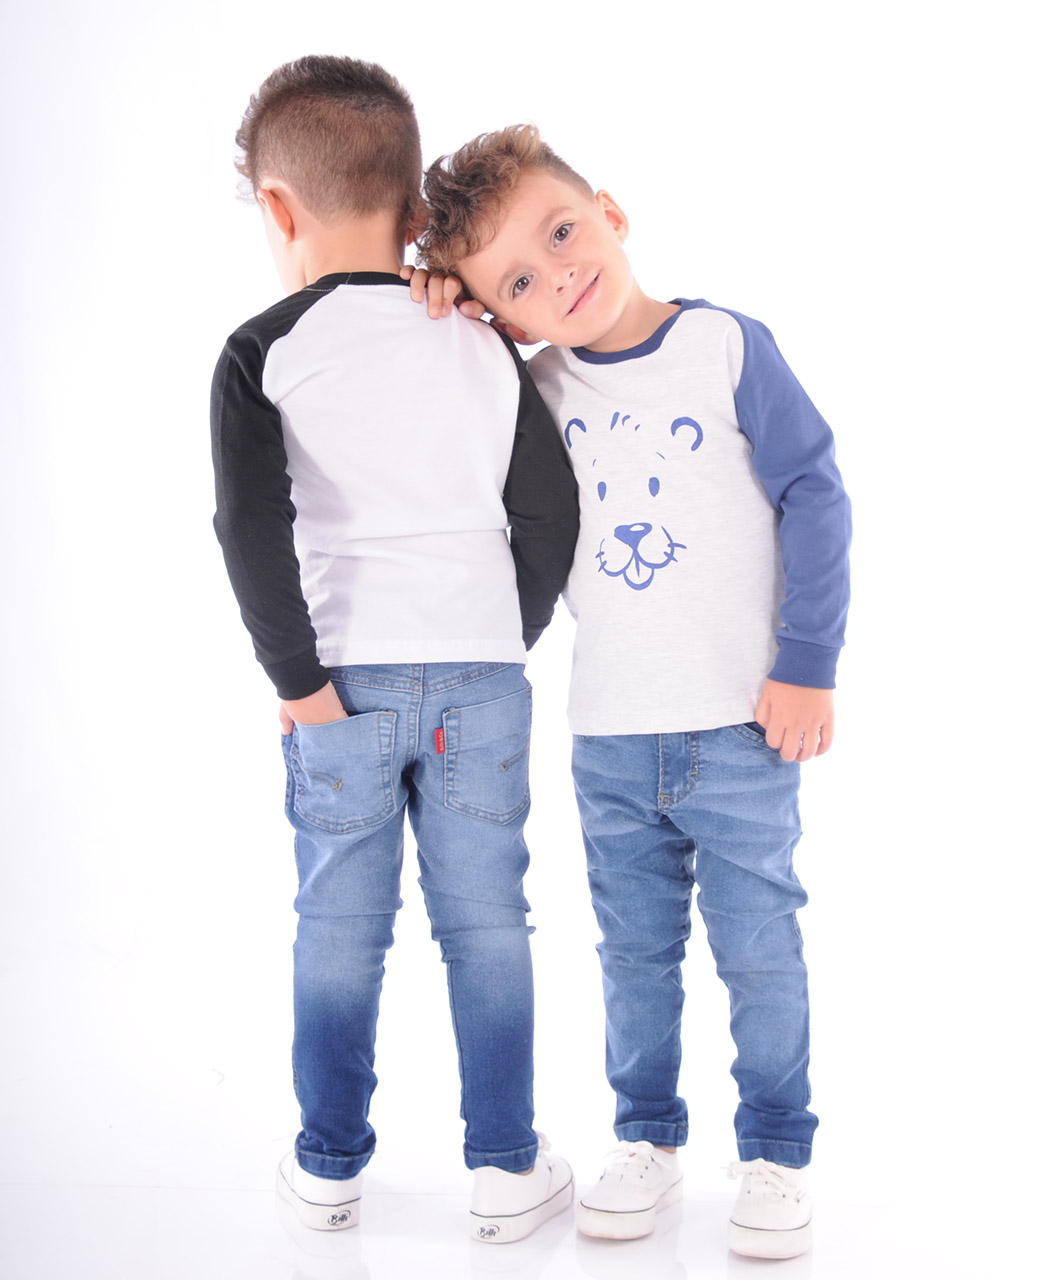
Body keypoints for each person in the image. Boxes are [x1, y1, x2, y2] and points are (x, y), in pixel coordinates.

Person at [417, 123, 851, 1260]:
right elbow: (450, 421)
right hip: (609, 734)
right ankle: (645, 1138)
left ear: (609, 211)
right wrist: (443, 315)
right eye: (517, 281)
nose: (557, 274)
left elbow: (814, 493)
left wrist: (807, 662)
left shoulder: (723, 344)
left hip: (743, 725)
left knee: (757, 946)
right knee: (634, 956)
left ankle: (775, 1149)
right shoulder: (529, 385)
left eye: (562, 233)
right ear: (503, 317)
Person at [210, 66, 578, 1244]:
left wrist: (300, 685)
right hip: (481, 676)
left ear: (278, 208)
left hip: (340, 688)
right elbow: (549, 514)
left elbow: (251, 529)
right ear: (415, 212)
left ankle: (327, 1169)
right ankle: (507, 1168)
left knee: (338, 924)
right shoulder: (478, 341)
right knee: (487, 922)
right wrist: (499, 638)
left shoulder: (262, 351)